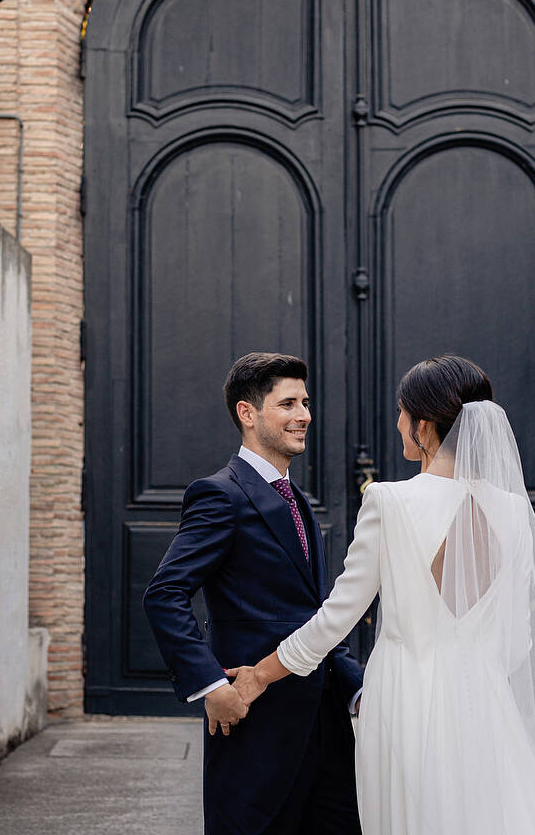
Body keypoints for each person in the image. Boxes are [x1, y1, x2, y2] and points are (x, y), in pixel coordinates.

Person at [228, 355, 535, 835]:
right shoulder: (515, 512)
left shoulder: (389, 501)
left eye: (401, 413)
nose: (397, 424)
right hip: (485, 702)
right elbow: (519, 643)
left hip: (404, 702)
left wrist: (260, 675)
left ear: (424, 424)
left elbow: (336, 618)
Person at [143, 352, 364, 835]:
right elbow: (165, 594)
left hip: (325, 725)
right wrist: (211, 687)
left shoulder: (297, 498)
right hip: (254, 723)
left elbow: (317, 612)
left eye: (305, 403)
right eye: (288, 404)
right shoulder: (220, 494)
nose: (304, 415)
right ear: (248, 413)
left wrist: (356, 686)